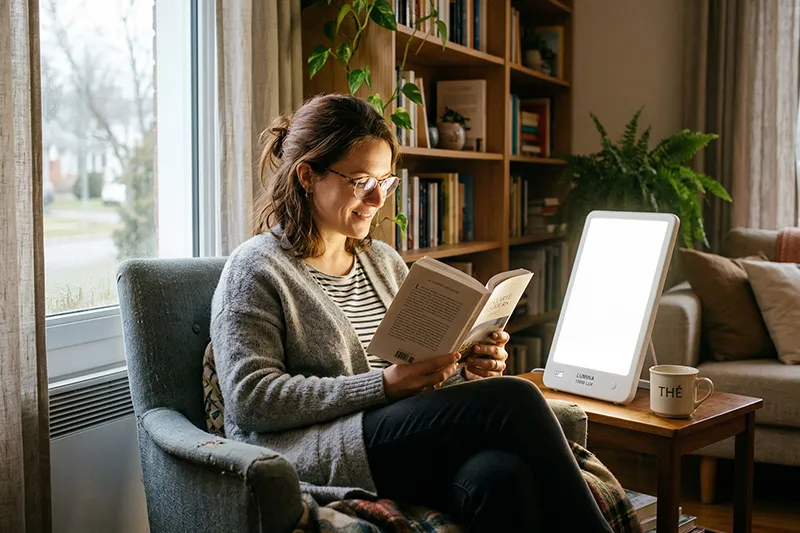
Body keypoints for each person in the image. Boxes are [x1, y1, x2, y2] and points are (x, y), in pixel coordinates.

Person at [209, 93, 613, 533]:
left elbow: (414, 374)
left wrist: (466, 366)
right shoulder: (256, 268)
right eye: (361, 179)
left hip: (396, 442)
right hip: (318, 449)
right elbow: (252, 399)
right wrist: (382, 385)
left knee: (501, 477)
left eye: (386, 181)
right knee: (516, 399)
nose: (377, 197)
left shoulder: (382, 261)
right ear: (308, 175)